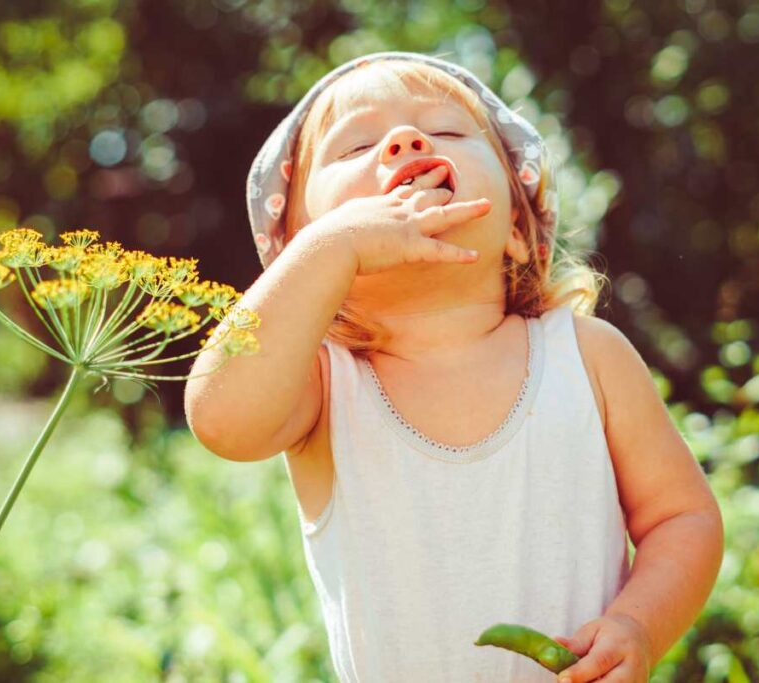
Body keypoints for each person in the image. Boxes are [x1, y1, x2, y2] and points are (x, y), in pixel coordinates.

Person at [185, 50, 723, 683]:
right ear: (299, 255)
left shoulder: (587, 356)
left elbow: (681, 520)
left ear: (519, 229)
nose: (404, 141)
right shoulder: (328, 386)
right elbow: (221, 420)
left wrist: (639, 624)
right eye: (354, 147)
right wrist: (334, 251)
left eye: (445, 131)